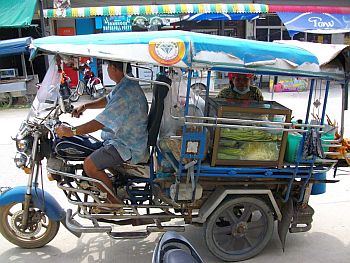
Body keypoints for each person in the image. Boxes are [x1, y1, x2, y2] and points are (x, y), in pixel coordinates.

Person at [55, 61, 149, 204]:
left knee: (90, 164)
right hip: (122, 139)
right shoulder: (126, 84)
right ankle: (110, 188)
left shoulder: (126, 92)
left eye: (109, 67)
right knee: (90, 148)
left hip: (127, 145)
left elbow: (100, 122)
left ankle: (114, 203)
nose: (108, 70)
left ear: (114, 68)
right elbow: (108, 99)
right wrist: (86, 106)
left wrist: (71, 131)